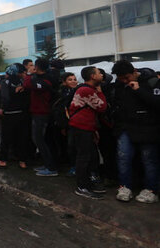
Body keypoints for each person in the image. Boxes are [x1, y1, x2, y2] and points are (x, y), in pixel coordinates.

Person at [111, 60, 159, 203]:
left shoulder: (152, 82)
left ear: (134, 72)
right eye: (121, 79)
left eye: (127, 77)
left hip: (148, 128)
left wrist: (139, 90)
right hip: (126, 127)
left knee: (149, 159)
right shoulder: (119, 86)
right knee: (123, 157)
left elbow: (157, 103)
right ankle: (125, 186)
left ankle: (151, 189)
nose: (125, 81)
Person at [67, 66, 107, 200]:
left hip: (86, 127)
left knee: (89, 156)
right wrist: (100, 92)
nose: (101, 74)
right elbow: (101, 107)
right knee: (83, 157)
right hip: (81, 127)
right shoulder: (86, 90)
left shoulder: (87, 89)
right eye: (98, 73)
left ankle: (87, 184)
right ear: (92, 77)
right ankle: (82, 186)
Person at [24, 58, 58, 177]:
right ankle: (48, 164)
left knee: (38, 140)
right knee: (43, 140)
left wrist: (28, 74)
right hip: (38, 113)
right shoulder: (42, 78)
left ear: (37, 67)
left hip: (42, 114)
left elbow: (28, 85)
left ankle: (51, 168)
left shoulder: (46, 81)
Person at [0, 64, 29, 169]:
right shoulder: (22, 82)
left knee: (6, 138)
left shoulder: (5, 82)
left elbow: (5, 98)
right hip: (21, 114)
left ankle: (2, 160)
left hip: (9, 114)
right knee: (21, 138)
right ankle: (22, 161)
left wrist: (2, 108)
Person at [53, 72, 78, 176]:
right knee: (70, 146)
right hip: (67, 124)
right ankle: (73, 166)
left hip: (77, 123)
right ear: (64, 82)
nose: (73, 81)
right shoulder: (61, 93)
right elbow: (61, 111)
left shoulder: (78, 91)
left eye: (74, 79)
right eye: (70, 79)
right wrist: (63, 126)